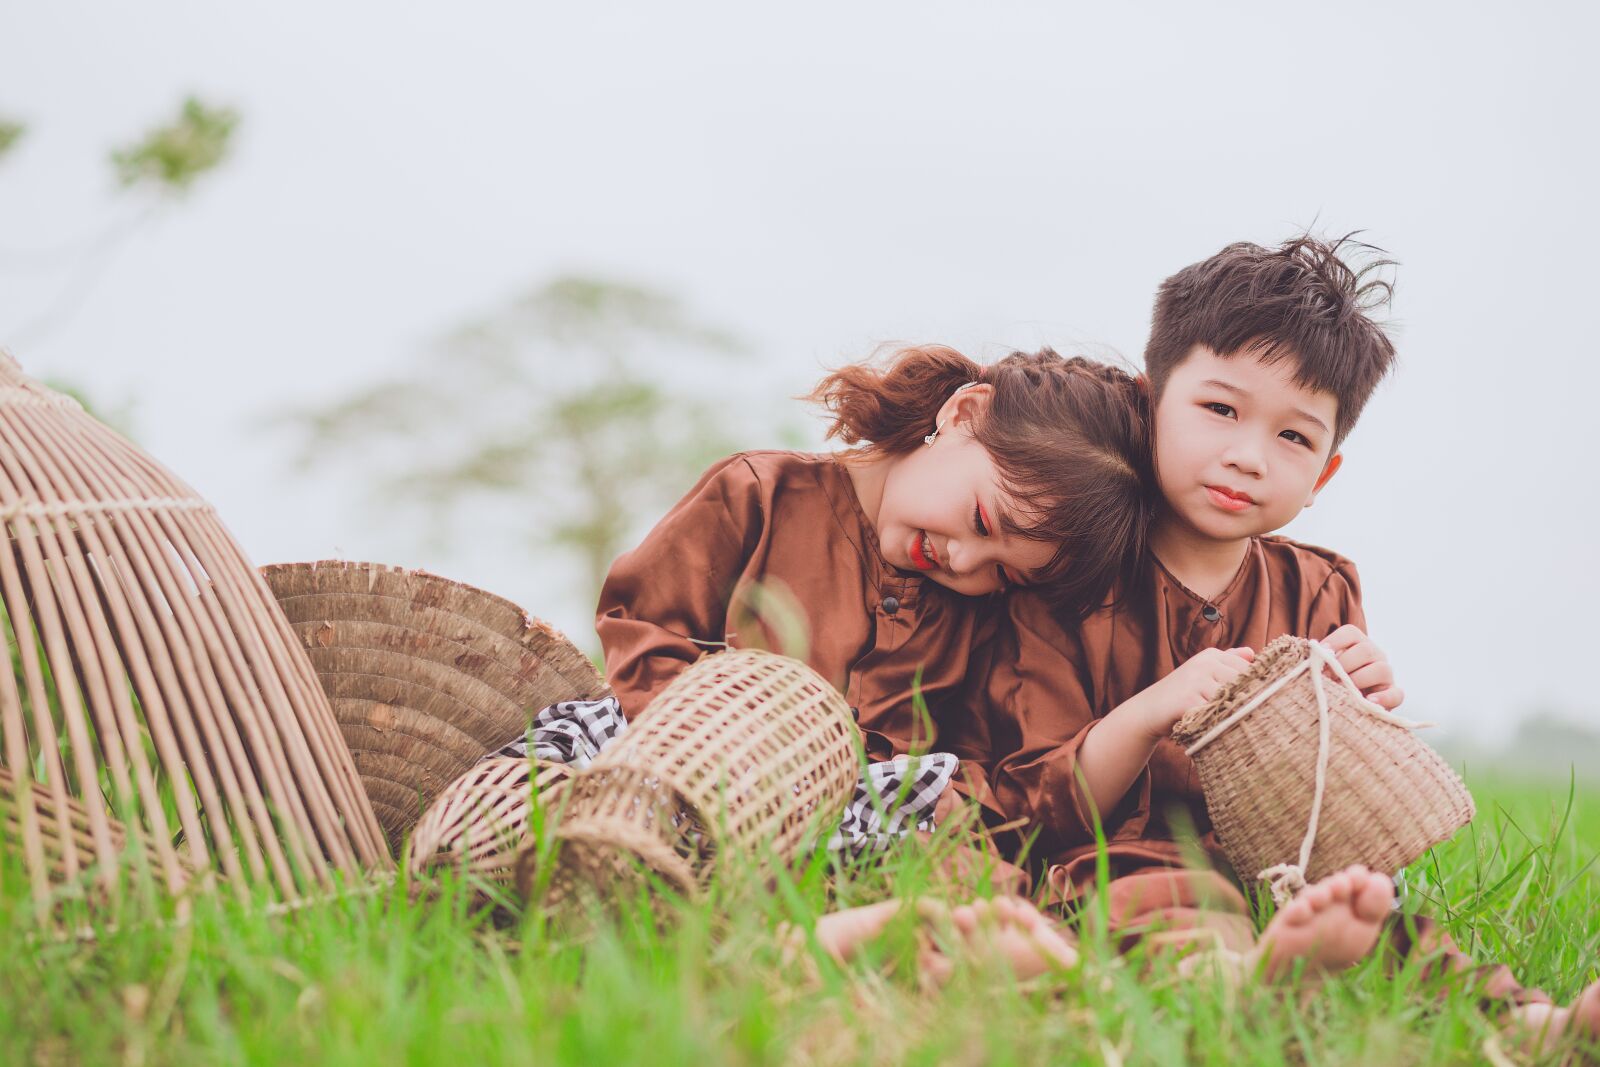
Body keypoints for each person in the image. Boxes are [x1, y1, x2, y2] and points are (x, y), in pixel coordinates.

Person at [950, 235, 1599, 1048]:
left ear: (1323, 472)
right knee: (1162, 894)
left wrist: (1362, 712)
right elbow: (1036, 807)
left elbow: (1329, 806)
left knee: (1380, 911)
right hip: (1104, 863)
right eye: (1219, 409)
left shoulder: (1320, 590)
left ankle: (1525, 1022)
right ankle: (1242, 988)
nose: (1247, 456)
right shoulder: (1075, 565)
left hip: (1275, 872)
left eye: (1294, 438)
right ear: (1152, 404)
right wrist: (1152, 710)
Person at [596, 343, 1150, 825]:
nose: (963, 560)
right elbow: (644, 634)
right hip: (699, 778)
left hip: (867, 828)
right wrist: (735, 745)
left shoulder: (977, 616)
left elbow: (978, 764)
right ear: (963, 414)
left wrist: (928, 799)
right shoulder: (760, 495)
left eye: (1002, 572)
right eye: (983, 519)